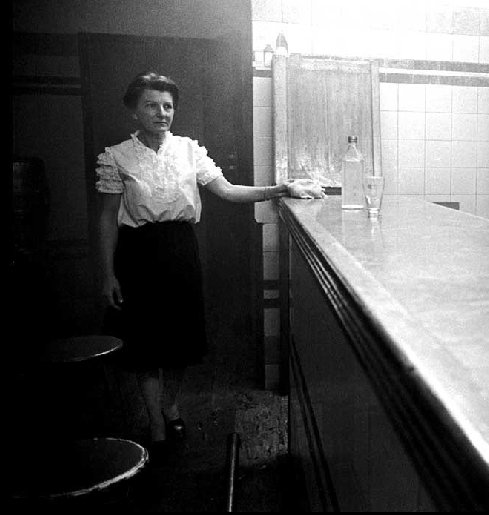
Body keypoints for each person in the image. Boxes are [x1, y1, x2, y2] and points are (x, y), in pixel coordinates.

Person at [95, 71, 324, 455]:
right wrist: (106, 274)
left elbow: (228, 191)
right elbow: (106, 219)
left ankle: (171, 404)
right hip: (137, 255)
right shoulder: (116, 157)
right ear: (134, 111)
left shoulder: (188, 150)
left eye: (167, 106)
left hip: (180, 250)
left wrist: (282, 188)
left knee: (180, 339)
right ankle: (155, 420)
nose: (161, 113)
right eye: (151, 105)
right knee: (146, 344)